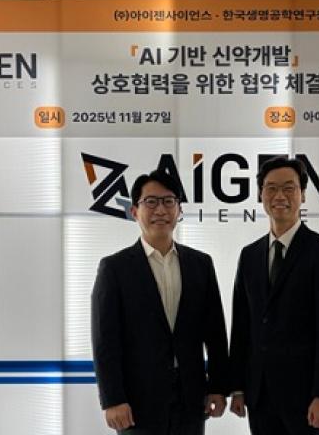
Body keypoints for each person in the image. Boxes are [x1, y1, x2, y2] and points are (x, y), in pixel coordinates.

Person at [91, 169, 229, 435]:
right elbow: (105, 340)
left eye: (169, 201)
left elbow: (215, 333)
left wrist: (218, 387)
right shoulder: (115, 268)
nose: (161, 210)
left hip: (191, 399)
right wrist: (112, 399)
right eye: (151, 202)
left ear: (179, 210)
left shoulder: (200, 264)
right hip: (136, 402)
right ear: (134, 211)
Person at [228, 157, 319, 435]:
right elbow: (242, 326)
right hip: (260, 397)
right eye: (270, 188)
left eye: (288, 188)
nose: (279, 196)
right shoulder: (249, 255)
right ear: (261, 195)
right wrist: (238, 387)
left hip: (307, 399)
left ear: (302, 194)